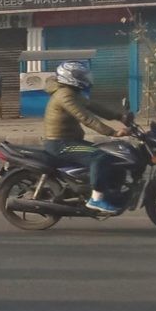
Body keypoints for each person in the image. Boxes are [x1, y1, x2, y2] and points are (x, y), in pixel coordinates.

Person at [42, 60, 131, 213]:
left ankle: (110, 193)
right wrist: (113, 132)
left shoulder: (71, 92)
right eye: (79, 75)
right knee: (99, 156)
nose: (84, 78)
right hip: (60, 144)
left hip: (70, 141)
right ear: (69, 76)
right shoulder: (64, 95)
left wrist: (119, 116)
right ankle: (96, 199)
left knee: (113, 155)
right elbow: (86, 117)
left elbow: (93, 106)